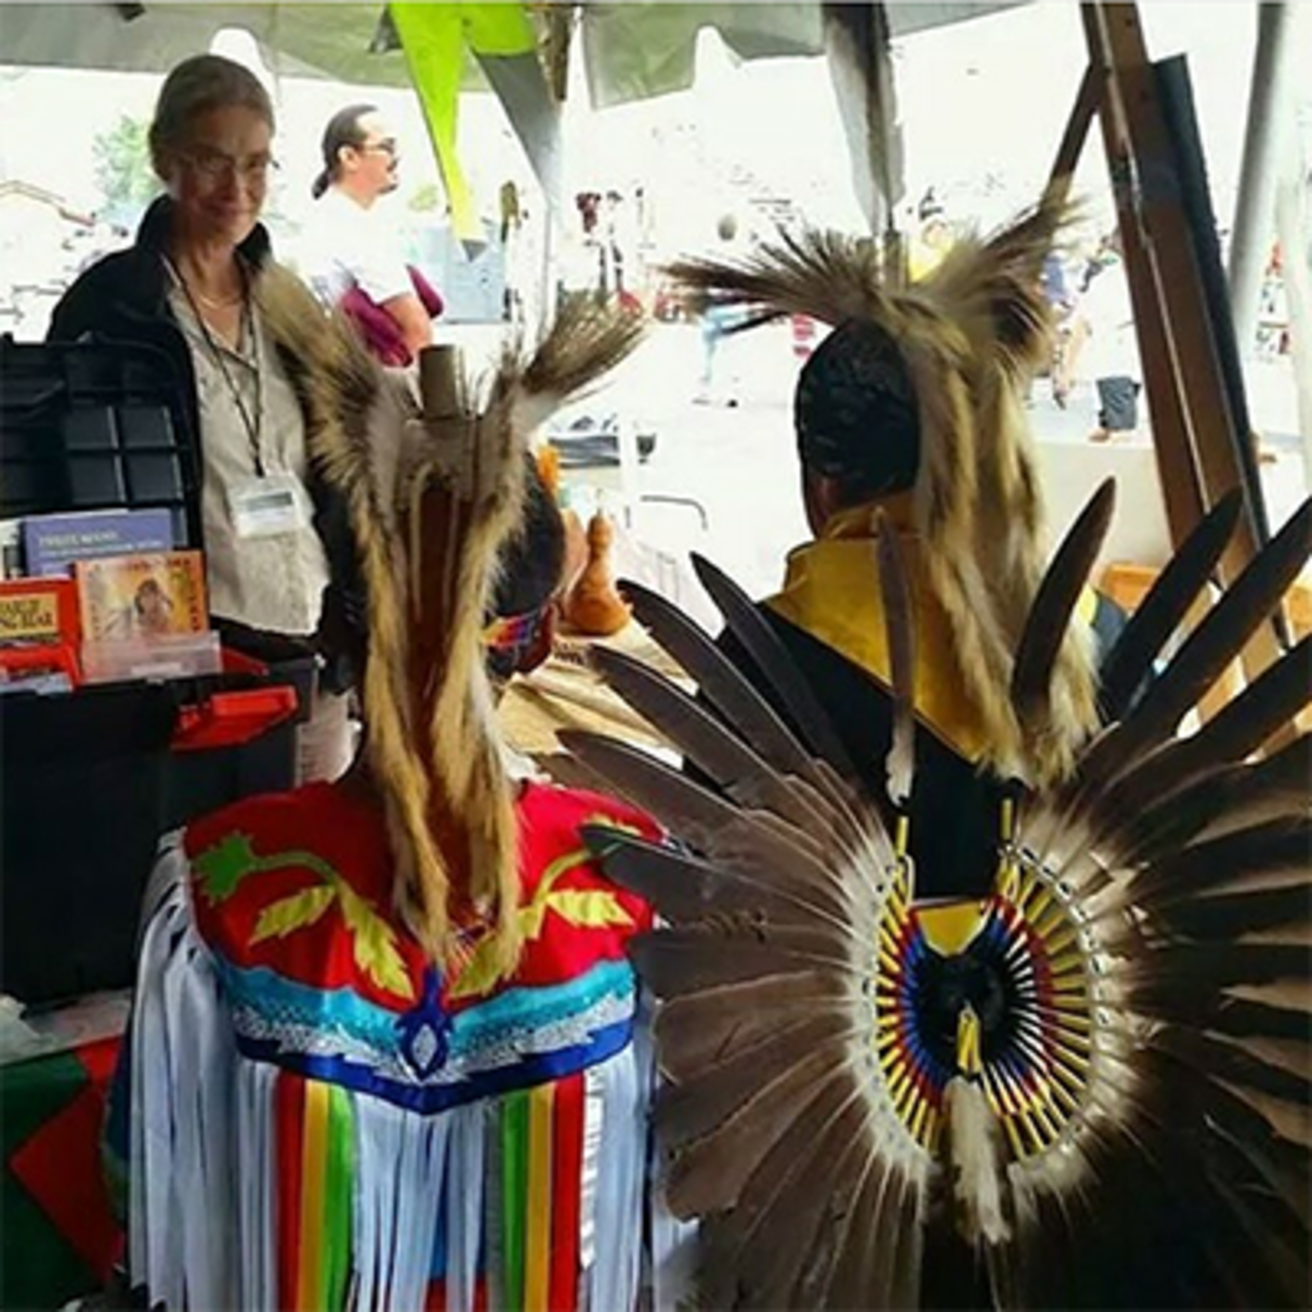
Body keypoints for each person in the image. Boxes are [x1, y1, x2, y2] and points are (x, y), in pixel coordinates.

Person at [100, 295, 688, 1310]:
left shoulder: (215, 886)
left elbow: (141, 1182)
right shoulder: (633, 879)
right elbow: (678, 1223)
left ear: (334, 633)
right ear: (538, 640)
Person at [669, 196, 1123, 902]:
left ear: (823, 482)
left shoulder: (763, 663)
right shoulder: (1101, 634)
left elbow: (705, 904)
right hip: (1101, 1015)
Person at [48, 54, 358, 782]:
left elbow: (339, 473)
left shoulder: (289, 306)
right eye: (213, 162)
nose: (237, 188)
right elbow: (69, 491)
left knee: (304, 879)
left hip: (309, 649)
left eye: (256, 164)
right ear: (164, 160)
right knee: (197, 872)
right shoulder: (114, 305)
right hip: (185, 666)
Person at [306, 103, 442, 367]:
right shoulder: (355, 229)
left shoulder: (322, 218)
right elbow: (416, 328)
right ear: (349, 157)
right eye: (387, 147)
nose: (397, 158)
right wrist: (414, 400)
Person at [1061, 230, 1141, 441]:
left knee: (1106, 433)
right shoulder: (1105, 282)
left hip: (1134, 369)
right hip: (1115, 366)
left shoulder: (1158, 279)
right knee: (1122, 434)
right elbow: (1081, 325)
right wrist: (1066, 371)